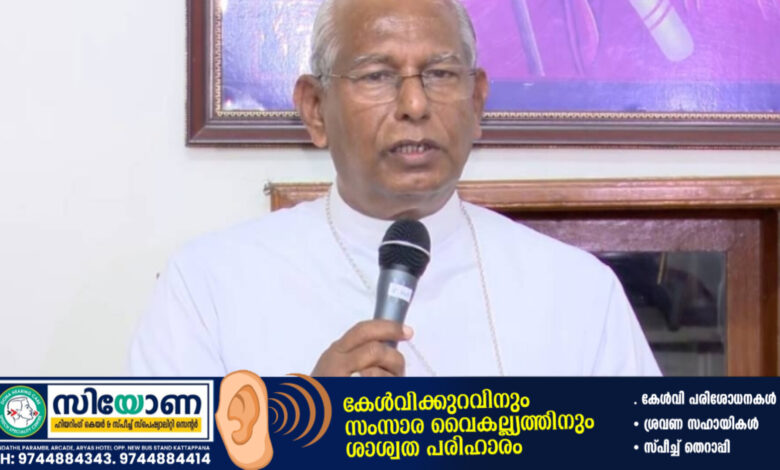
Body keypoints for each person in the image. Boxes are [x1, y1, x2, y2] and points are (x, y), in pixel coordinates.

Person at [128, 0, 660, 377]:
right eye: (377, 75)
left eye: (440, 74)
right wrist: (297, 436)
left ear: (477, 103)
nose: (414, 104)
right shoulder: (207, 286)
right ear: (315, 110)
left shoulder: (579, 293)